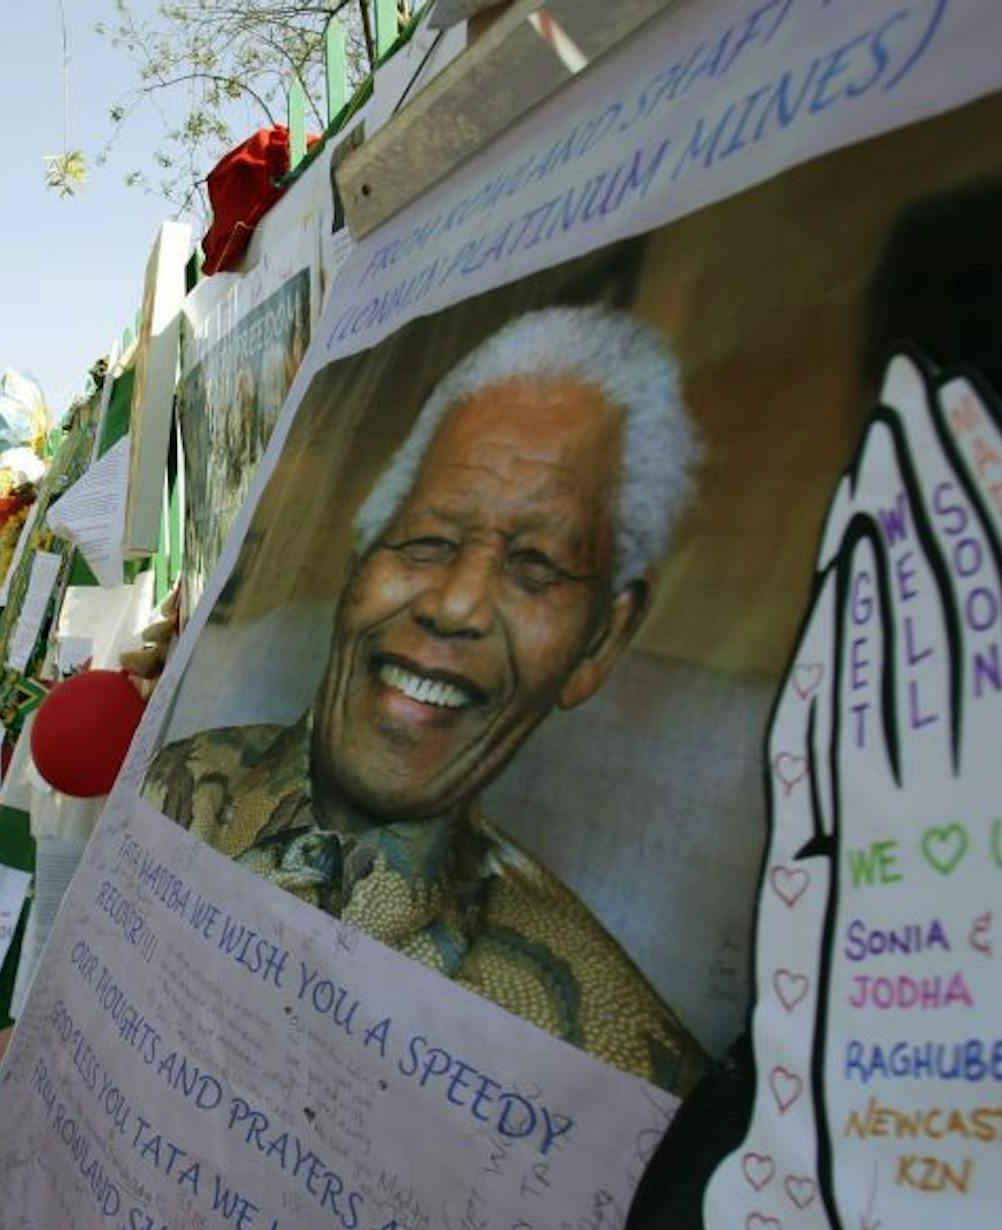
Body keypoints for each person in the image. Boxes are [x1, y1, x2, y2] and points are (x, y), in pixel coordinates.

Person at [145, 305, 708, 1095]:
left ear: (600, 643)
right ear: (359, 560)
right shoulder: (177, 792)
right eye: (429, 541)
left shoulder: (609, 1055)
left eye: (538, 567)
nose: (456, 605)